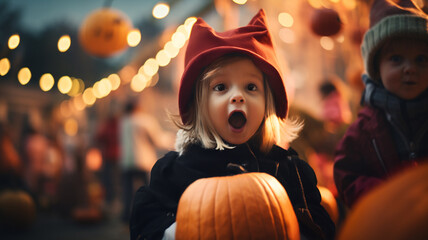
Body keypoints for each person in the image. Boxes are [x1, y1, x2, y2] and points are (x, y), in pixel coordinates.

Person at [130, 9, 335, 240]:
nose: (238, 97)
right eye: (220, 87)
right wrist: (179, 231)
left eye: (251, 87)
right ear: (199, 106)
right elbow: (144, 224)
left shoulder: (288, 170)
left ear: (268, 103)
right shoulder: (175, 172)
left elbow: (322, 226)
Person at [334, 0, 428, 208]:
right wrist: (384, 195)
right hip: (386, 220)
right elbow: (346, 174)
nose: (410, 68)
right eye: (396, 59)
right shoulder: (365, 129)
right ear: (377, 69)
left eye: (421, 59)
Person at [120, 98, 175, 224]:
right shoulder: (144, 120)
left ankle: (126, 216)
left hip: (127, 161)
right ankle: (148, 214)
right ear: (138, 107)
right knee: (149, 191)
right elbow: (157, 140)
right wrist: (171, 139)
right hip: (143, 161)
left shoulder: (124, 122)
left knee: (127, 191)